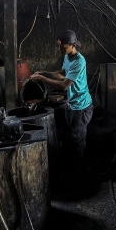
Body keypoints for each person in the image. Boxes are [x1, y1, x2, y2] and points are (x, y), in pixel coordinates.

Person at [29, 30, 93, 173]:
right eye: (59, 46)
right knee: (74, 138)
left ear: (72, 45)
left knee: (77, 140)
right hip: (73, 105)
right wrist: (42, 72)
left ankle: (79, 174)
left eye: (63, 47)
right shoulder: (67, 56)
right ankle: (75, 169)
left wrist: (42, 79)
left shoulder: (79, 61)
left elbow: (64, 85)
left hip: (82, 106)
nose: (60, 49)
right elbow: (62, 73)